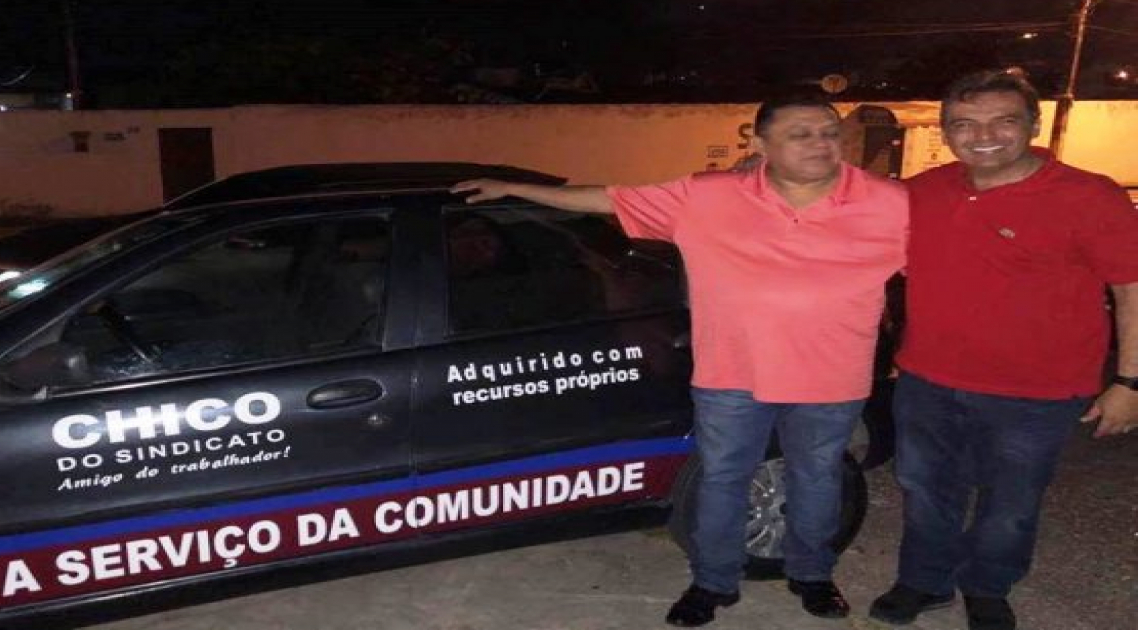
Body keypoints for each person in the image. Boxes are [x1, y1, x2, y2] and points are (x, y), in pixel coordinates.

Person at [453, 94, 908, 627]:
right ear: (760, 144)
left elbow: (949, 257)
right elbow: (606, 198)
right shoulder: (707, 196)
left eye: (829, 132)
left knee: (817, 478)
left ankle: (812, 574)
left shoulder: (889, 203)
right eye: (800, 134)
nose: (820, 144)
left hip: (830, 377)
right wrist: (514, 189)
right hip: (731, 375)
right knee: (723, 479)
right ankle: (713, 582)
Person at [869, 69, 1138, 630]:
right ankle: (925, 580)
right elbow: (839, 208)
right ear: (946, 131)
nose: (983, 136)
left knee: (1011, 504)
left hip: (1036, 393)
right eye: (965, 124)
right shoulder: (924, 191)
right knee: (924, 489)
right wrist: (758, 173)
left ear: (1033, 125)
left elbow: (1131, 289)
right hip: (928, 380)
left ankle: (988, 586)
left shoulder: (1089, 196)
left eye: (1003, 121)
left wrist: (1129, 382)